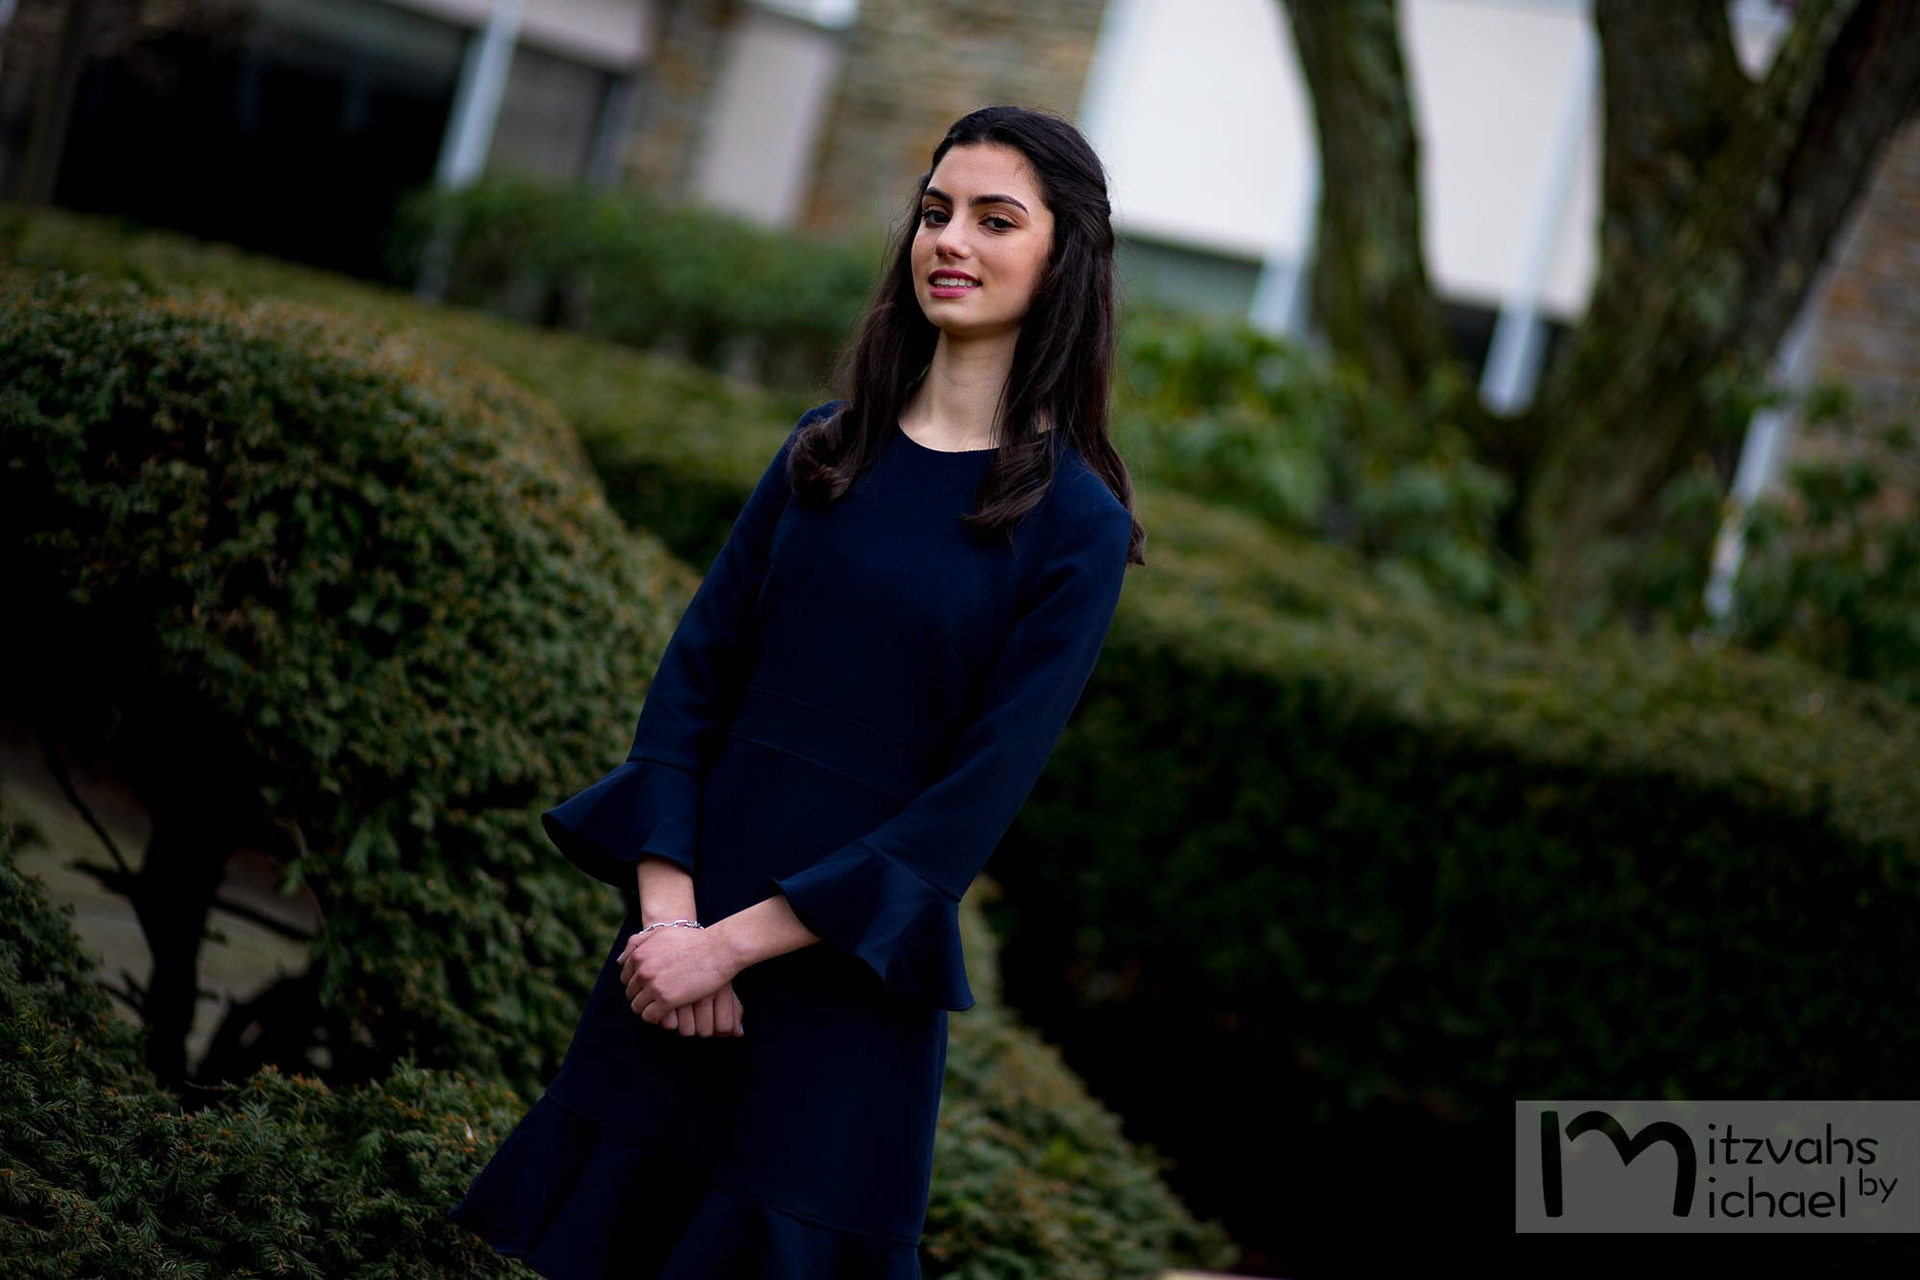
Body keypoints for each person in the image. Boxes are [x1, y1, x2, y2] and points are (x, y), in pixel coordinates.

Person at [447, 103, 1145, 1279]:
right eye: (935, 213)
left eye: (994, 218)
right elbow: (688, 693)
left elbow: (955, 822)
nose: (951, 240)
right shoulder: (823, 451)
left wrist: (734, 950)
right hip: (667, 966)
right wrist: (673, 929)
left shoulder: (1078, 529)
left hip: (840, 997)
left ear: (1064, 254)